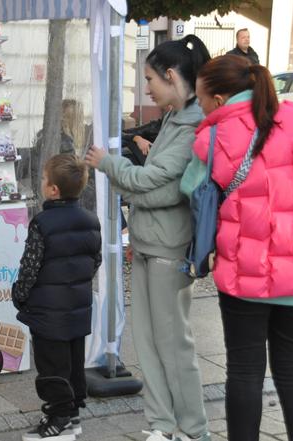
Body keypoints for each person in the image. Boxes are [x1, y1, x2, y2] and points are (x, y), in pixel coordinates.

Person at [86, 35, 212, 441]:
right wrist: (135, 185)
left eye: (150, 79)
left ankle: (193, 430)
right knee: (147, 342)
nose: (146, 88)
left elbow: (160, 186)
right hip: (145, 243)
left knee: (174, 345)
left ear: (172, 76)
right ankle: (161, 424)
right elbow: (150, 188)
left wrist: (111, 166)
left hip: (167, 249)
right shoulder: (175, 119)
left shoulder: (193, 124)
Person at [192, 54, 293, 440]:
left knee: (244, 370)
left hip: (244, 274)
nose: (199, 105)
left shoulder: (213, 135)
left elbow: (190, 189)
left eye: (200, 97)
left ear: (217, 97)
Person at [12, 153, 101, 441]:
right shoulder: (91, 220)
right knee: (74, 362)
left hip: (48, 311)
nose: (41, 183)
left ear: (53, 190)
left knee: (51, 364)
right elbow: (94, 260)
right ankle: (72, 413)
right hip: (77, 306)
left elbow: (30, 266)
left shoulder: (42, 223)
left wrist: (20, 295)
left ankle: (58, 415)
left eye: (43, 179)